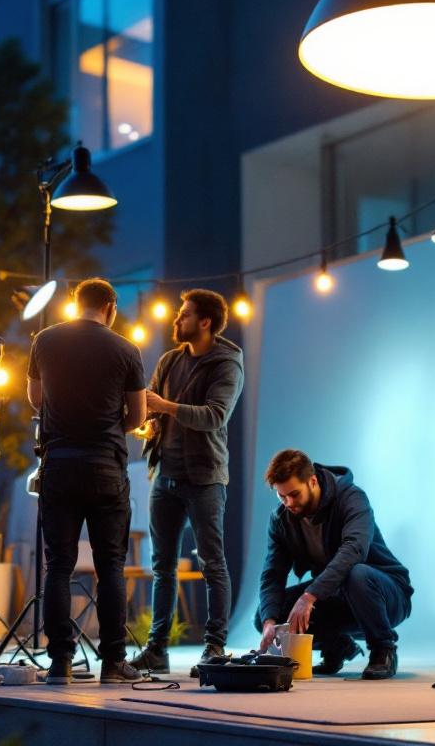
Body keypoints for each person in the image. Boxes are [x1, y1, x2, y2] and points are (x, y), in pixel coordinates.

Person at [28, 278, 147, 684]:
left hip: (58, 464)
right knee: (110, 565)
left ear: (75, 304)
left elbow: (34, 398)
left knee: (57, 567)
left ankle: (60, 662)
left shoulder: (45, 340)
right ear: (110, 307)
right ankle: (113, 663)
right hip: (106, 467)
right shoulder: (126, 349)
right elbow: (138, 417)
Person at [127, 289, 244, 676]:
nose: (177, 320)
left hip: (206, 477)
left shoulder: (227, 362)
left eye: (185, 314)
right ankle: (157, 648)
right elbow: (152, 411)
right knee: (162, 567)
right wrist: (149, 424)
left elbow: (215, 416)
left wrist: (165, 407)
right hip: (165, 474)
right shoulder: (170, 360)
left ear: (205, 322)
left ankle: (214, 646)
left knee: (212, 563)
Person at [255, 449, 413, 680]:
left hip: (385, 595)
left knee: (355, 573)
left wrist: (309, 596)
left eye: (294, 494)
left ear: (312, 481)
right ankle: (337, 647)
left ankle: (383, 650)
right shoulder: (281, 520)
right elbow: (272, 574)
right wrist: (269, 621)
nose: (288, 503)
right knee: (266, 613)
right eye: (282, 496)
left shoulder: (352, 498)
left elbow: (354, 550)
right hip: (338, 596)